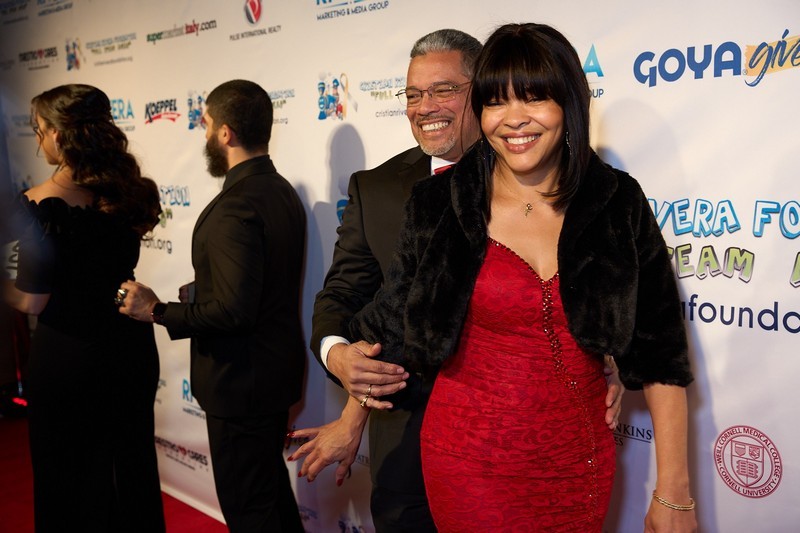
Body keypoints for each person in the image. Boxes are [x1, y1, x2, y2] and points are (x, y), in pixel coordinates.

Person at [300, 23, 697, 532]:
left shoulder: (615, 200)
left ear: (569, 102)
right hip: (468, 462)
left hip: (578, 461)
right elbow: (396, 323)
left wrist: (674, 491)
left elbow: (660, 351)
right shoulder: (443, 203)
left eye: (534, 98)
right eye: (495, 102)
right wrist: (344, 369)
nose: (513, 119)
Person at [118, 80, 306, 532]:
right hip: (270, 377)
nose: (202, 135)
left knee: (251, 511)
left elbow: (234, 312)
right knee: (271, 500)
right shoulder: (280, 191)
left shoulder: (234, 206)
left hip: (240, 386)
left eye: (204, 124)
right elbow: (257, 286)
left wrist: (156, 310)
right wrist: (205, 288)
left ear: (225, 133)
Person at [3, 84, 165, 532]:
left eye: (39, 130)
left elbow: (32, 299)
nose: (38, 140)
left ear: (58, 134)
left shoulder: (41, 205)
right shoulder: (132, 192)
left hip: (68, 356)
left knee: (68, 474)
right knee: (130, 465)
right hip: (129, 348)